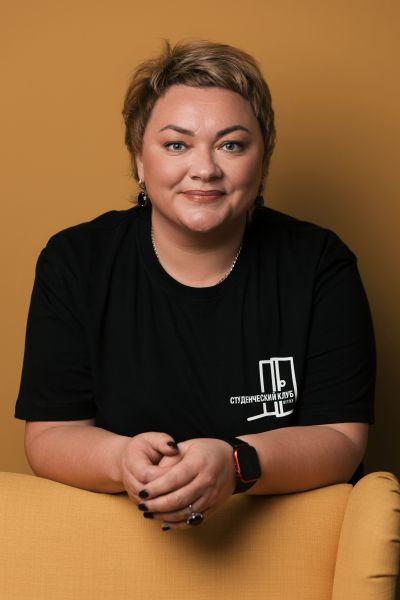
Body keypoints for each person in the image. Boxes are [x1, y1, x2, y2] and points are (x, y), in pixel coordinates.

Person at [15, 40, 375, 531]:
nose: (204, 169)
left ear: (263, 158)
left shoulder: (319, 263)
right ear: (140, 160)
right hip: (119, 542)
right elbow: (50, 435)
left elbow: (342, 438)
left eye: (231, 144)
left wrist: (236, 463)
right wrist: (120, 459)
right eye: (176, 145)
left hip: (288, 543)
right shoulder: (76, 262)